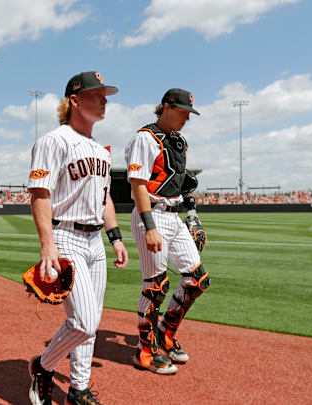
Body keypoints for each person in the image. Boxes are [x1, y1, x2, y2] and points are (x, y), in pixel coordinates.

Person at [27, 72, 128, 405]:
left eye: (105, 95)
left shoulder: (101, 151)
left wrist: (115, 238)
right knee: (83, 321)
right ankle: (43, 366)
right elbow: (40, 193)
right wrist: (47, 244)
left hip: (95, 241)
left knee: (93, 322)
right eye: (96, 94)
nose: (104, 100)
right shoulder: (54, 141)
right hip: (65, 235)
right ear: (74, 100)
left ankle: (79, 389)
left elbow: (105, 199)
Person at [124, 88, 209, 375]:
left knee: (198, 280)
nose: (187, 118)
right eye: (184, 112)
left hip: (174, 217)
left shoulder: (180, 142)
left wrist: (193, 218)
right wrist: (149, 227)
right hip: (153, 216)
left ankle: (165, 332)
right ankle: (144, 351)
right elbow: (137, 186)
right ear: (168, 107)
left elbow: (184, 186)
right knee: (156, 285)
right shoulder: (144, 139)